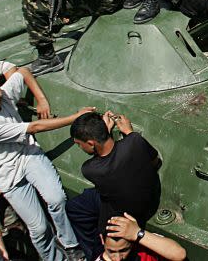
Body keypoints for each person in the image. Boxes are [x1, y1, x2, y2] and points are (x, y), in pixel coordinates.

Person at [0, 70, 91, 261]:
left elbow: (22, 71)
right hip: (7, 172)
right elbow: (34, 127)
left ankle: (70, 244)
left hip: (29, 155)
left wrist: (41, 99)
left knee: (56, 198)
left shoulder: (2, 95)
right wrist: (75, 117)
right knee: (39, 227)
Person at [68, 111, 161, 261]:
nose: (80, 147)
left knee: (74, 208)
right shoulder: (135, 140)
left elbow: (104, 160)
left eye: (80, 144)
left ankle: (95, 253)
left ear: (91, 143)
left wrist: (107, 132)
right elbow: (155, 161)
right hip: (149, 202)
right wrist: (128, 132)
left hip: (122, 214)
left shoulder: (90, 169)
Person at [99, 213, 186, 261]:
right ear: (102, 240)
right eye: (111, 251)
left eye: (124, 250)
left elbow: (179, 254)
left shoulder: (146, 247)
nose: (118, 259)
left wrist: (137, 233)